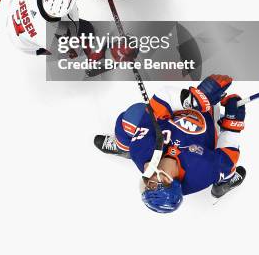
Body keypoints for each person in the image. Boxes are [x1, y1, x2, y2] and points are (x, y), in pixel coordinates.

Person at [94, 74, 246, 213]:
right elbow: (228, 157)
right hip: (207, 119)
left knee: (134, 116)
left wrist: (190, 100)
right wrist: (232, 123)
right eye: (152, 184)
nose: (146, 175)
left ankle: (122, 147)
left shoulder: (140, 150)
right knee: (226, 170)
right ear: (167, 180)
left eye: (146, 184)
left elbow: (160, 99)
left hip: (179, 112)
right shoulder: (203, 172)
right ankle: (223, 185)